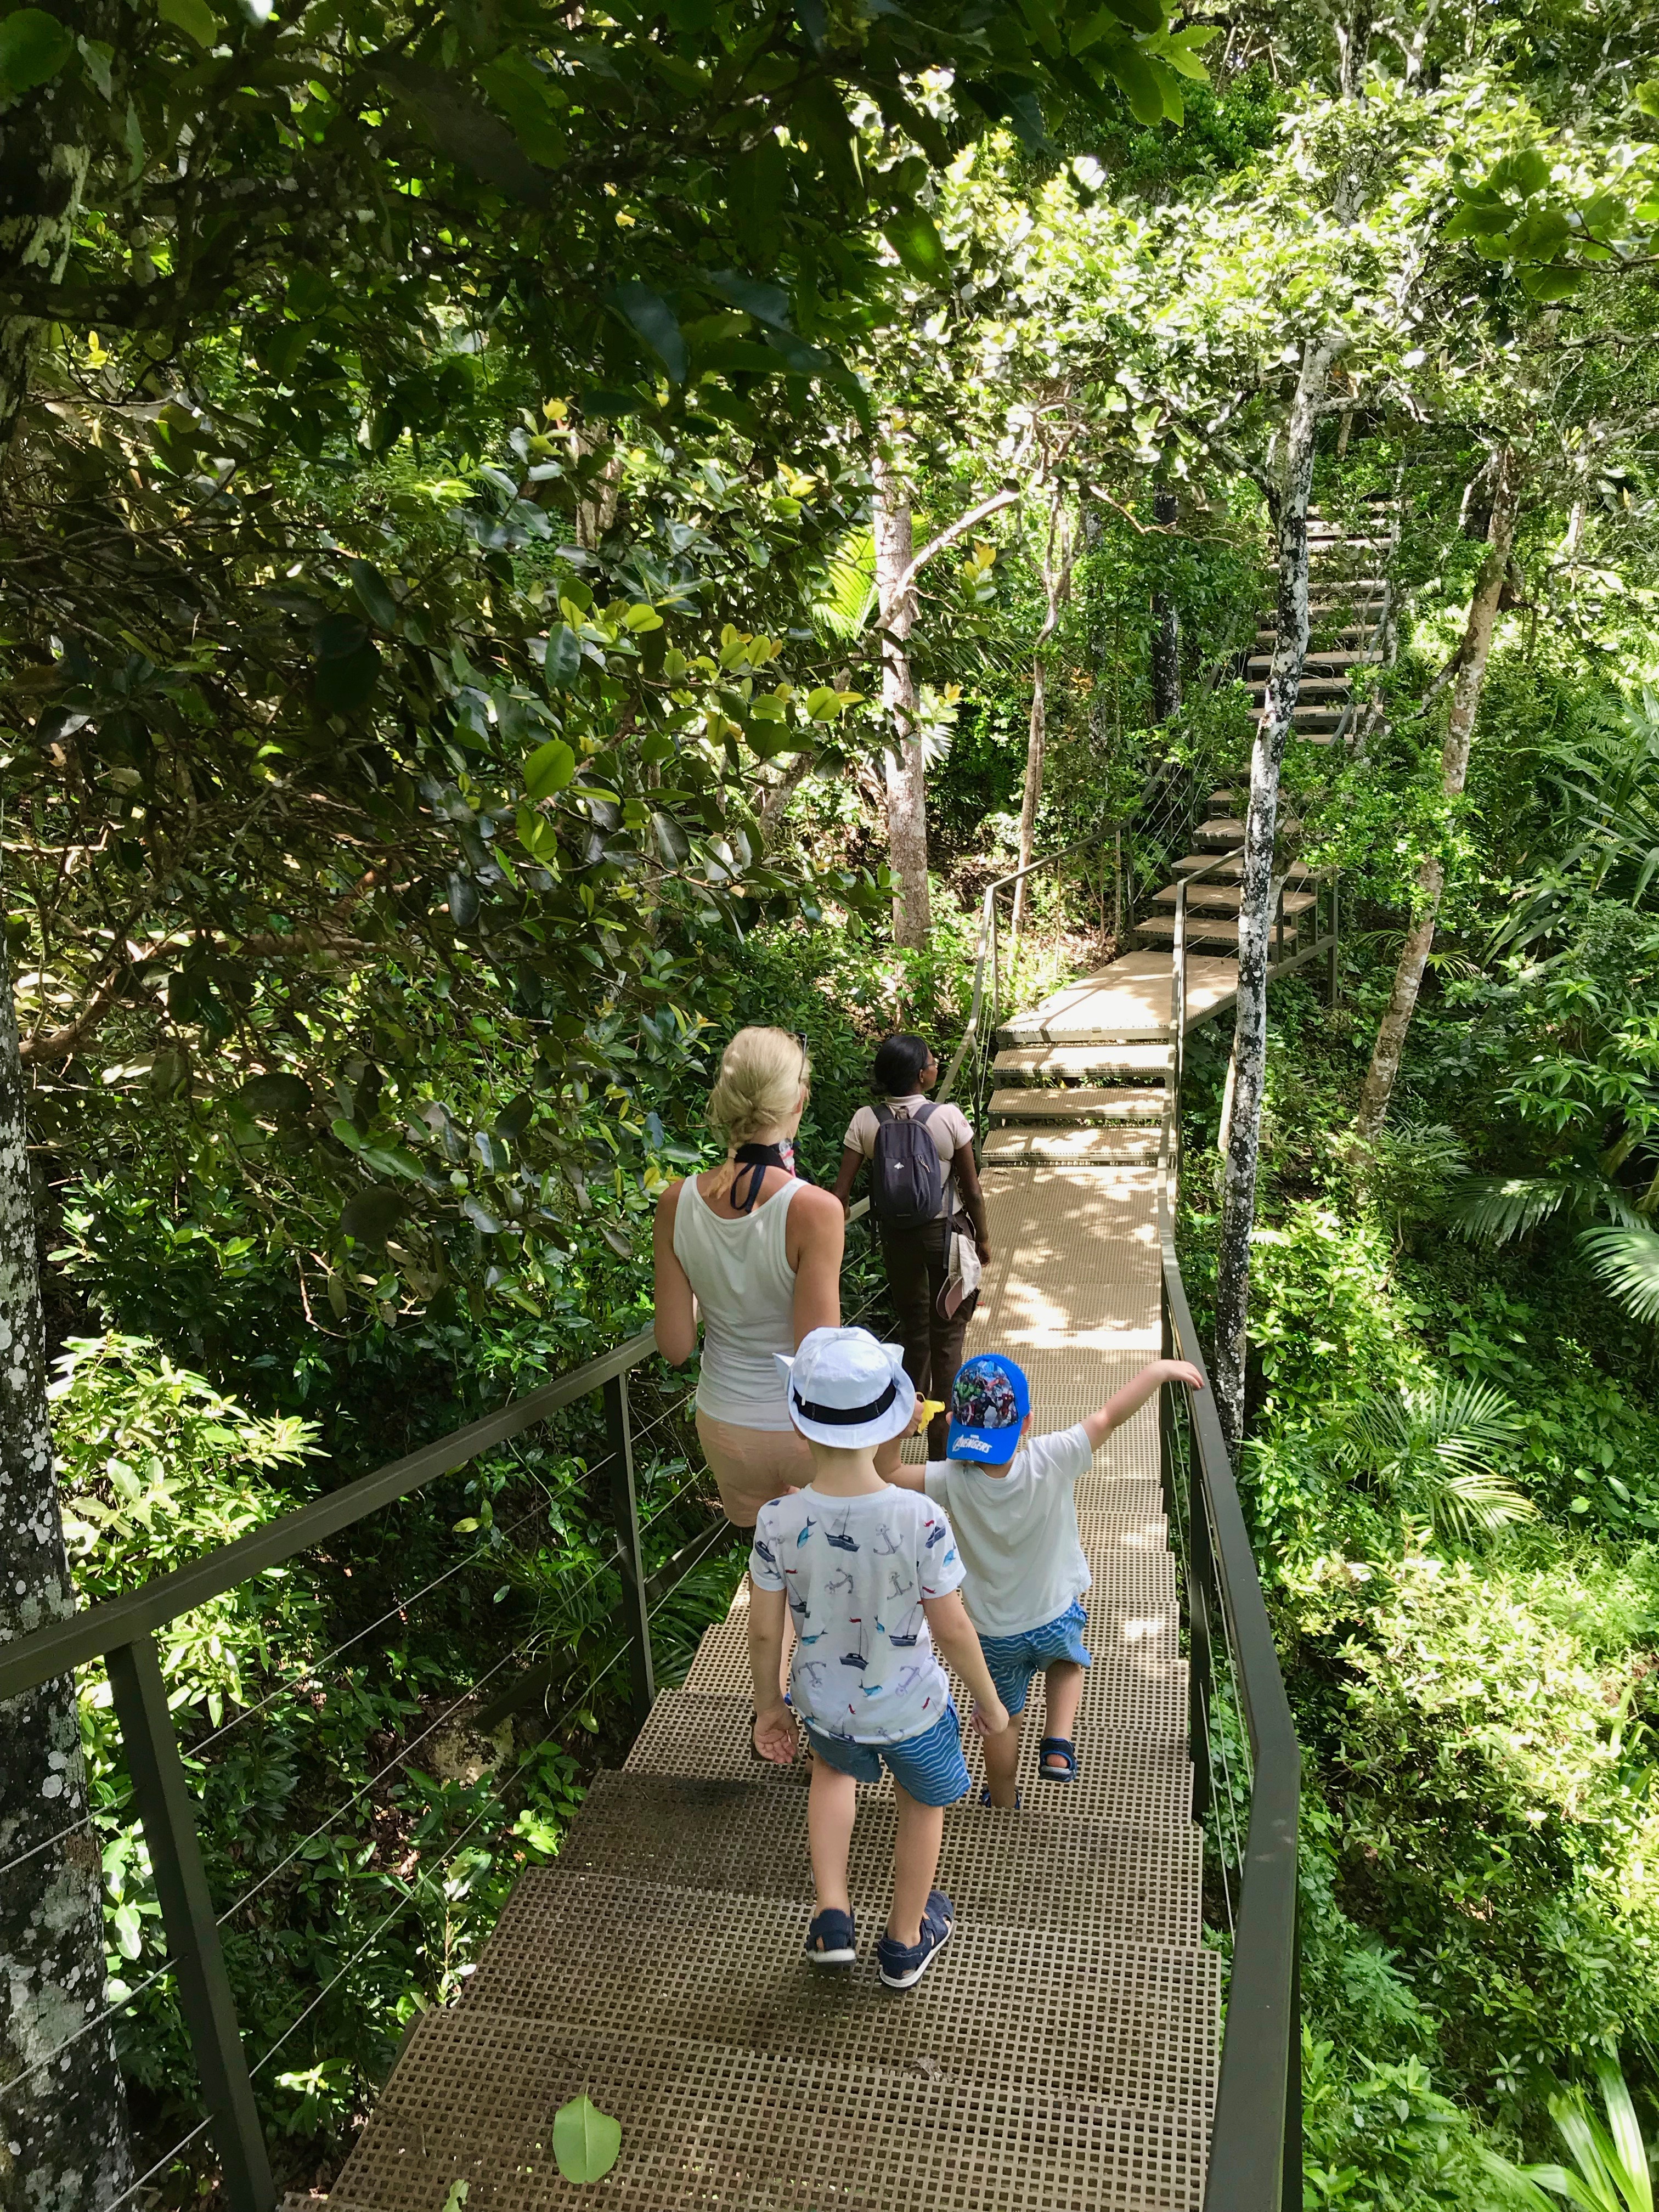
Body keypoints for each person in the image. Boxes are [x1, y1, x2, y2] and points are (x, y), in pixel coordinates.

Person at [748, 1327, 1010, 1989]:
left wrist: (769, 1708)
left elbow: (762, 1631)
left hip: (826, 1706)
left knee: (831, 1780)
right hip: (913, 1705)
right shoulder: (920, 1517)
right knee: (922, 1805)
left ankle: (833, 1912)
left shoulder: (778, 1520)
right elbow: (951, 1627)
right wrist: (989, 1701)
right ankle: (903, 1941)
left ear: (801, 1425)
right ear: (891, 1420)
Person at [889, 1348, 1205, 1808]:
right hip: (1056, 1611)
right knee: (1067, 1664)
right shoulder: (1053, 1457)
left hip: (994, 1632)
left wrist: (907, 1420)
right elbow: (1108, 1418)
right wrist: (1157, 1372)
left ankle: (1001, 1797)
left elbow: (890, 1473)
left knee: (1003, 1719)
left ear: (957, 1425)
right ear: (1028, 1421)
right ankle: (1058, 1742)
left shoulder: (950, 1479)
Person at [653, 1027, 846, 1528]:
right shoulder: (816, 1210)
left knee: (767, 1564)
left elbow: (675, 1345)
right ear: (799, 1099)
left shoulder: (676, 1203)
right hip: (804, 1430)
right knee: (831, 1567)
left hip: (725, 1425)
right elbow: (817, 1352)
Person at [831, 1033, 989, 1458]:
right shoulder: (948, 1117)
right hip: (946, 1236)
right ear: (922, 1074)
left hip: (896, 1238)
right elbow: (971, 1190)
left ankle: (899, 1435)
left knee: (913, 1328)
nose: (937, 1065)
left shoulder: (866, 1120)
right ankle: (944, 1442)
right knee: (949, 1332)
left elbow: (841, 1192)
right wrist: (985, 1237)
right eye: (934, 1060)